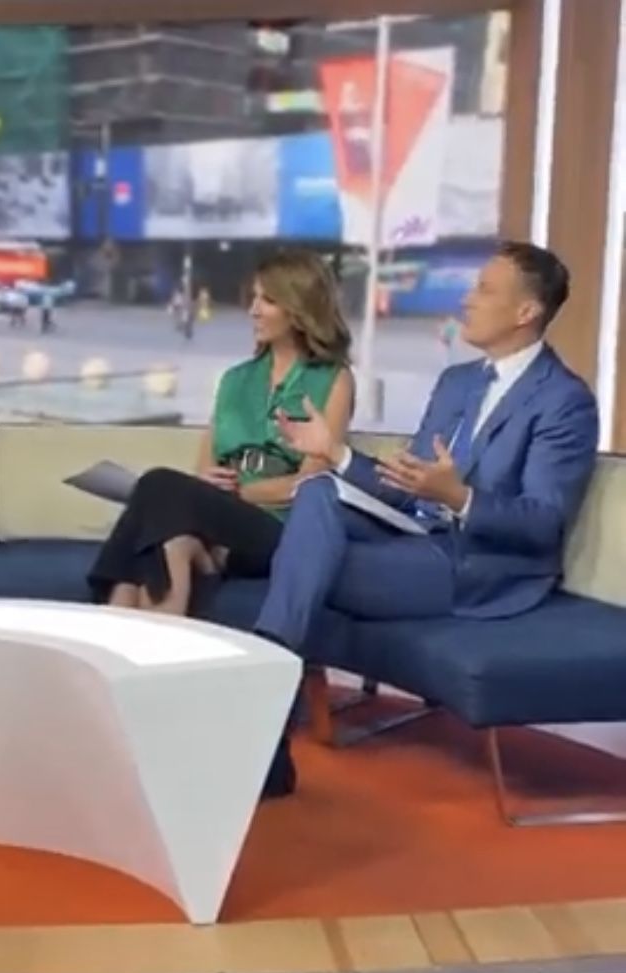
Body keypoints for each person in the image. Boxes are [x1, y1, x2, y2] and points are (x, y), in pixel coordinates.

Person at [252, 240, 599, 791]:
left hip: (480, 564)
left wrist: (460, 498)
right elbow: (405, 486)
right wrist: (335, 452)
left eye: (484, 289)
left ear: (525, 311)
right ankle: (269, 704)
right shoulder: (458, 382)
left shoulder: (564, 401)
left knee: (308, 563)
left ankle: (264, 709)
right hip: (415, 534)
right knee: (317, 489)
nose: (467, 300)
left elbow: (543, 521)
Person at [89, 247, 355, 630]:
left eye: (268, 300)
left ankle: (107, 613)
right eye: (254, 298)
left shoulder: (334, 379)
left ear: (299, 308)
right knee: (165, 539)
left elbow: (312, 482)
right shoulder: (235, 380)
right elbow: (205, 468)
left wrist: (239, 493)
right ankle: (138, 635)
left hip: (279, 530)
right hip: (220, 522)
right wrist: (209, 486)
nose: (253, 310)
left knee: (157, 484)